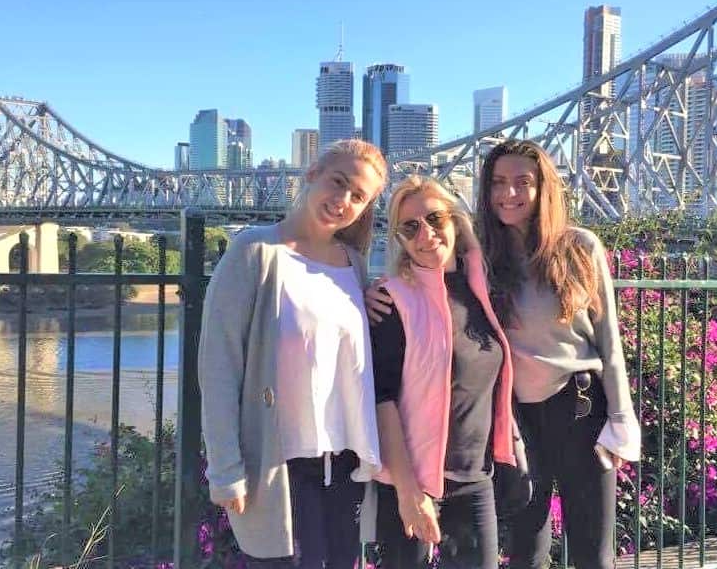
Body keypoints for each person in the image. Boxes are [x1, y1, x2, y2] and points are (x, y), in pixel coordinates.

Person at [198, 139, 387, 568]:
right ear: (311, 174)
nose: (342, 201)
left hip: (346, 467)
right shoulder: (255, 252)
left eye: (358, 196)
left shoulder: (354, 265)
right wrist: (225, 470)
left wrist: (375, 297)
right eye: (337, 183)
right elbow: (218, 368)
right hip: (282, 467)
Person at [476, 139, 641, 569]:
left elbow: (609, 340)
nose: (508, 194)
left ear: (543, 188)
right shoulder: (480, 256)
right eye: (497, 183)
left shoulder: (580, 247)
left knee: (592, 552)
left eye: (521, 182)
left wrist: (622, 419)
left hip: (580, 410)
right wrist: (382, 293)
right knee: (526, 552)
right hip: (514, 419)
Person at [369, 175, 516, 569]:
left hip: (475, 478)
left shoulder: (485, 288)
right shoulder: (390, 299)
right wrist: (408, 492)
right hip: (410, 484)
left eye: (435, 219)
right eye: (410, 226)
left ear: (455, 220)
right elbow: (381, 399)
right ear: (399, 238)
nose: (426, 233)